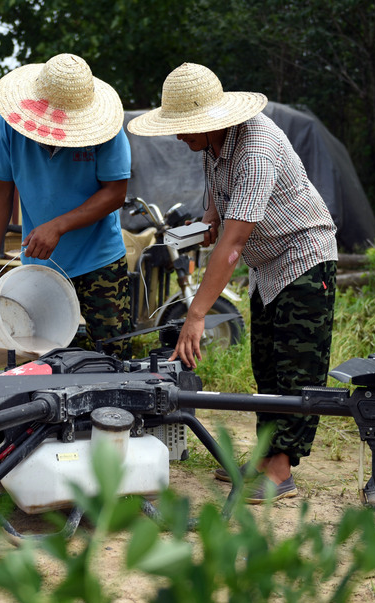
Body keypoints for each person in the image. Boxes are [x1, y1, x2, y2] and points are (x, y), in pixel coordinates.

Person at [128, 63, 338, 503]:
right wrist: (206, 224)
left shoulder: (256, 149)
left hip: (304, 256)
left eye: (183, 128)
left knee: (296, 366)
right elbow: (219, 211)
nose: (179, 137)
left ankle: (281, 470)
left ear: (208, 121)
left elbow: (235, 241)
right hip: (269, 265)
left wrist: (196, 314)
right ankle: (264, 456)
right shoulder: (212, 146)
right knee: (267, 362)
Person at [0, 53, 133, 358]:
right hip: (41, 266)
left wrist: (58, 226)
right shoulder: (7, 125)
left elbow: (115, 193)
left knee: (114, 356)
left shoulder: (105, 129)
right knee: (44, 353)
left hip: (99, 259)